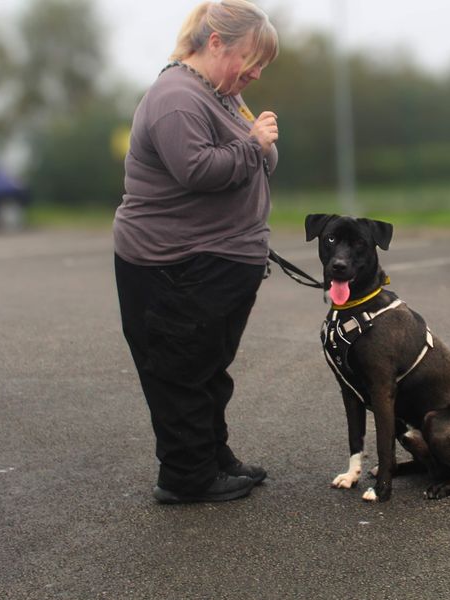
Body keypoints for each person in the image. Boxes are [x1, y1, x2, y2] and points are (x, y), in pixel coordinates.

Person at [113, 0, 279, 504]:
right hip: (173, 265)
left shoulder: (221, 93)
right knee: (182, 369)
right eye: (251, 58)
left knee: (206, 367)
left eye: (263, 65)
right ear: (215, 43)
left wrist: (260, 145)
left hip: (215, 261)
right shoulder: (177, 96)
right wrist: (254, 146)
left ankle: (212, 457)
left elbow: (256, 160)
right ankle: (186, 477)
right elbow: (197, 170)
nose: (255, 72)